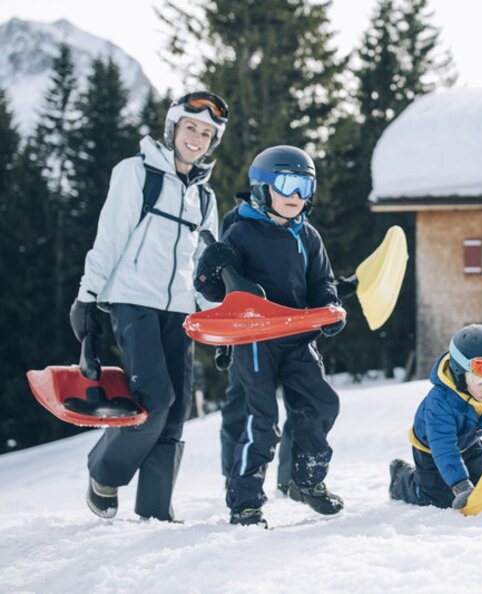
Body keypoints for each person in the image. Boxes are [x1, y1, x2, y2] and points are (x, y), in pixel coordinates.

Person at [69, 91, 229, 521]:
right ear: (173, 128)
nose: (196, 138)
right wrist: (88, 296)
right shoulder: (136, 173)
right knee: (154, 399)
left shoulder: (206, 199)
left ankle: (155, 510)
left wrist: (216, 324)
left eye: (206, 133)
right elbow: (110, 238)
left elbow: (204, 271)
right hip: (132, 300)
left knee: (176, 410)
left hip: (180, 310)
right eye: (191, 127)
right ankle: (104, 472)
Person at [194, 145, 345, 527]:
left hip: (297, 337)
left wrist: (328, 308)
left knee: (322, 403)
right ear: (262, 188)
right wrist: (210, 269)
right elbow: (218, 292)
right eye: (286, 184)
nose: (296, 196)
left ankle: (307, 480)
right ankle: (245, 501)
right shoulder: (240, 232)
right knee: (261, 420)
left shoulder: (307, 236)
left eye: (305, 186)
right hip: (256, 339)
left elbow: (321, 282)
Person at [214, 200, 295, 492]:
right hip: (247, 332)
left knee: (300, 402)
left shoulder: (293, 218)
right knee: (241, 402)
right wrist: (224, 343)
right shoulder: (235, 221)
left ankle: (292, 479)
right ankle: (234, 476)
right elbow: (226, 281)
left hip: (289, 329)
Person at [388, 324, 482, 510]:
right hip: (432, 449)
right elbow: (444, 446)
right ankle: (402, 478)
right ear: (459, 371)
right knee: (440, 499)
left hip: (469, 444)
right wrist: (460, 485)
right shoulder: (440, 401)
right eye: (479, 381)